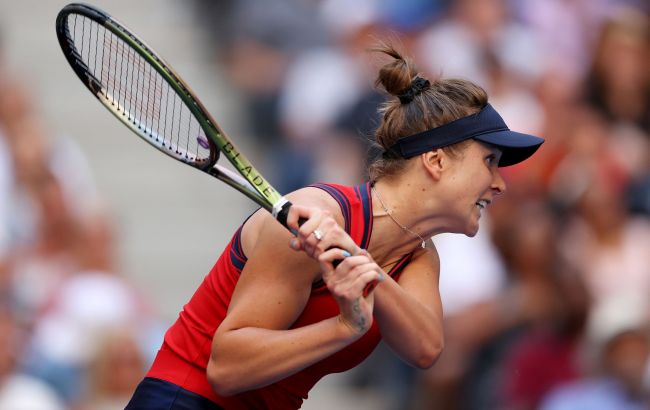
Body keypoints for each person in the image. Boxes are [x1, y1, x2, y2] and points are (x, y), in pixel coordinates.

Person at [125, 44, 544, 409]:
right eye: (489, 161)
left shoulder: (417, 253)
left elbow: (426, 348)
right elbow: (226, 367)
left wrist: (364, 267)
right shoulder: (314, 212)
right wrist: (344, 327)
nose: (500, 182)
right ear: (434, 162)